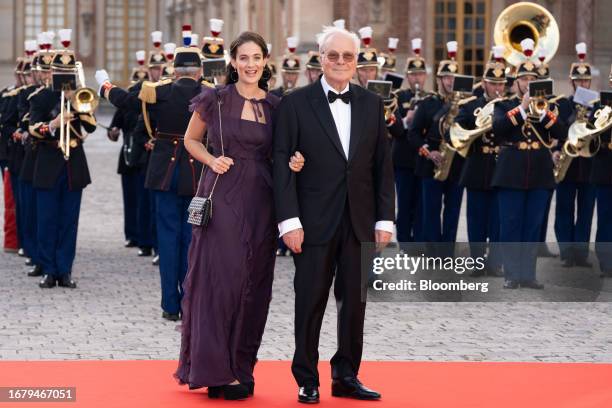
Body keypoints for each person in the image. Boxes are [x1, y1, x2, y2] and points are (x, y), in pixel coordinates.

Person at [174, 31, 303, 400]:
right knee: (222, 281)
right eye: (243, 58)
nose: (250, 64)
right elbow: (190, 140)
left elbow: (285, 153)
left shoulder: (278, 106)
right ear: (233, 62)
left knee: (254, 286)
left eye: (256, 58)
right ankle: (215, 369)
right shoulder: (214, 100)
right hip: (223, 196)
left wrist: (295, 161)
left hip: (262, 200)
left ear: (265, 61)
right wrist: (212, 159)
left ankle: (241, 367)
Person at [274, 25, 394, 403]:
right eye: (333, 55)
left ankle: (346, 375)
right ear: (321, 59)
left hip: (359, 221)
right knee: (310, 300)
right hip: (311, 223)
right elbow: (281, 164)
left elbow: (382, 167)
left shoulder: (373, 104)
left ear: (356, 62)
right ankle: (306, 377)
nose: (340, 62)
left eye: (348, 56)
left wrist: (384, 219)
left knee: (353, 304)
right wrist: (288, 220)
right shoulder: (294, 104)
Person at [491, 39, 565, 289]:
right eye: (524, 80)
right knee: (510, 225)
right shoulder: (504, 105)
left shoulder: (548, 107)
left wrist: (543, 115)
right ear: (516, 82)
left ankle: (528, 274)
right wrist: (522, 109)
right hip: (511, 171)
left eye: (532, 80)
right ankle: (512, 274)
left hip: (540, 172)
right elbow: (498, 130)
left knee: (532, 226)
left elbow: (562, 132)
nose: (528, 84)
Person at [29, 33, 97, 289]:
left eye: (68, 73)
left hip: (72, 167)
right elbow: (33, 128)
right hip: (47, 163)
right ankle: (48, 269)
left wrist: (74, 102)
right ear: (51, 74)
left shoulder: (78, 97)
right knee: (47, 220)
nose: (63, 77)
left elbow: (90, 126)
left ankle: (64, 270)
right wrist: (54, 124)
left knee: (69, 221)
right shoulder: (40, 98)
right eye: (60, 73)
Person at [455, 46, 506, 277]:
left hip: (501, 168)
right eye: (493, 84)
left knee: (497, 220)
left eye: (501, 84)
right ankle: (476, 262)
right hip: (477, 167)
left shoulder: (510, 107)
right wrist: (476, 127)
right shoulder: (470, 105)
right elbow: (455, 131)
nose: (497, 88)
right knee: (476, 220)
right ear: (484, 83)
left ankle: (495, 263)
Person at [553, 42, 596, 267]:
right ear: (572, 82)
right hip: (567, 165)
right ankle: (567, 252)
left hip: (589, 166)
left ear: (590, 82)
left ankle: (581, 253)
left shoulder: (597, 107)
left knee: (587, 211)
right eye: (578, 80)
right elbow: (557, 131)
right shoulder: (563, 105)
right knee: (564, 210)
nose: (581, 83)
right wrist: (555, 152)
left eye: (585, 80)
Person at [388, 37, 428, 246]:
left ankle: (419, 240)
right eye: (413, 75)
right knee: (404, 202)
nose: (417, 79)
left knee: (421, 203)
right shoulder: (397, 97)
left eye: (420, 74)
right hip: (403, 157)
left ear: (425, 76)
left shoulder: (430, 98)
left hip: (421, 159)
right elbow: (394, 127)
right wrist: (407, 120)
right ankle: (404, 241)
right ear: (407, 77)